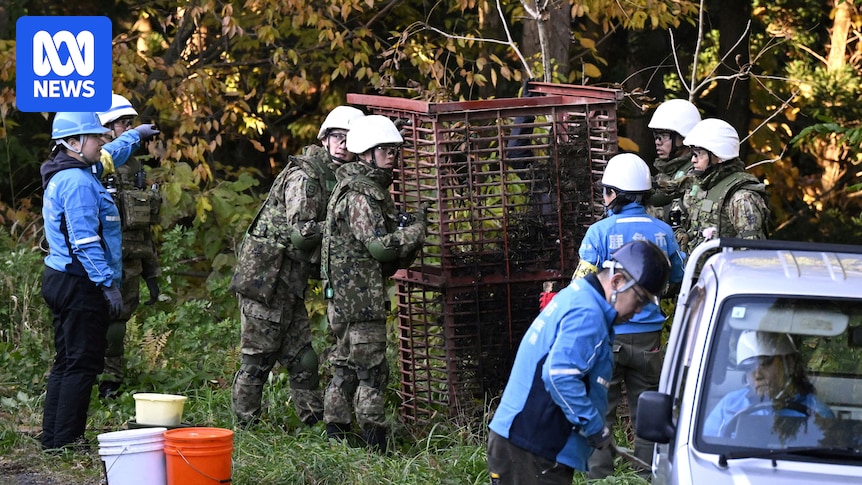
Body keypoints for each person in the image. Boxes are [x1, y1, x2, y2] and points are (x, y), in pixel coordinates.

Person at [488, 240, 672, 484]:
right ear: (617, 281)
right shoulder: (588, 313)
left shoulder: (581, 297)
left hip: (528, 443)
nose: (639, 311)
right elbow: (560, 376)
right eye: (639, 300)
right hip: (531, 447)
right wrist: (594, 427)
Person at [230, 105, 365, 427]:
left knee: (303, 358)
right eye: (337, 136)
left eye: (350, 138)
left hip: (290, 278)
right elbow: (302, 234)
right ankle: (245, 426)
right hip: (267, 276)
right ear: (325, 138)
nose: (343, 144)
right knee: (258, 358)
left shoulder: (340, 176)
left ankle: (312, 422)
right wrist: (344, 227)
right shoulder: (307, 175)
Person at [320, 114, 428, 453]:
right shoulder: (362, 195)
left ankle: (336, 436)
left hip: (346, 296)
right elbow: (379, 248)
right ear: (366, 153)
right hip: (359, 300)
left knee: (346, 365)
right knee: (371, 372)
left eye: (394, 150)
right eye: (384, 150)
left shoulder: (355, 186)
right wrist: (416, 230)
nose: (391, 156)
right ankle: (374, 445)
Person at [574, 153, 686, 479]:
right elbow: (678, 277)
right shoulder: (663, 232)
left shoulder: (599, 232)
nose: (604, 197)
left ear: (615, 194)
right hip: (649, 338)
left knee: (601, 408)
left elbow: (581, 285)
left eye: (606, 191)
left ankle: (599, 476)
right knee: (647, 411)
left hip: (608, 335)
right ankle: (646, 474)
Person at [40, 112, 123, 451]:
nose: (102, 140)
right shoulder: (76, 182)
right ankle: (67, 441)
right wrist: (107, 284)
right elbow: (84, 240)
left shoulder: (67, 172)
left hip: (62, 277)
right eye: (94, 136)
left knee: (67, 360)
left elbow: (112, 154)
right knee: (83, 362)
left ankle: (54, 439)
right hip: (79, 282)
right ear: (73, 143)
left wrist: (135, 137)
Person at [95, 93, 163, 398]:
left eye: (130, 123)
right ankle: (82, 374)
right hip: (98, 260)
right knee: (90, 321)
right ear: (106, 127)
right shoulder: (95, 164)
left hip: (131, 261)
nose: (128, 128)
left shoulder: (135, 167)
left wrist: (152, 274)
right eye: (122, 123)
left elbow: (143, 226)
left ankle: (111, 380)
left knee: (117, 324)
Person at [704, 330, 834, 437]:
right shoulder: (729, 404)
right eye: (748, 368)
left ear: (789, 363)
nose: (757, 375)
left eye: (764, 364)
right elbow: (708, 447)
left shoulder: (817, 411)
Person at [680, 118, 770, 253]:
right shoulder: (701, 186)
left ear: (718, 156)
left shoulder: (742, 197)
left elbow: (751, 253)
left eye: (699, 154)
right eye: (693, 154)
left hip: (725, 266)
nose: (693, 159)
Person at [645, 99, 701, 233]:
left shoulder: (694, 170)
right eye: (656, 135)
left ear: (683, 137)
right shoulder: (671, 168)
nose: (658, 142)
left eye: (664, 135)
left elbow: (661, 201)